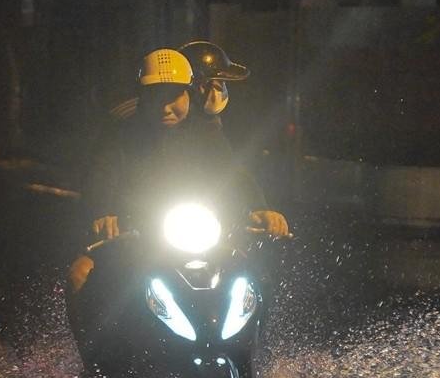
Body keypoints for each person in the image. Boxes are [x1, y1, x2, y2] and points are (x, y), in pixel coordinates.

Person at [68, 48, 288, 356]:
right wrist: (103, 213)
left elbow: (233, 172)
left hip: (198, 235)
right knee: (79, 274)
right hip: (138, 237)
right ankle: (95, 365)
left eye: (175, 96)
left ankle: (251, 354)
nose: (166, 107)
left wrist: (261, 208)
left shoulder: (205, 131)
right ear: (142, 98)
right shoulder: (122, 133)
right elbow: (101, 177)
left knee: (254, 275)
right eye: (156, 97)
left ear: (189, 95)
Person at [108, 40, 250, 123]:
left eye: (220, 84)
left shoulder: (205, 124)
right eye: (210, 85)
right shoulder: (127, 122)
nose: (165, 108)